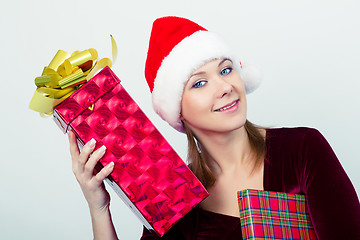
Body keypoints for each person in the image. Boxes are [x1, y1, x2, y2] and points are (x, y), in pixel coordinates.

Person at [68, 16, 360, 239]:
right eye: (199, 82)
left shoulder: (303, 149)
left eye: (225, 69)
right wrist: (99, 207)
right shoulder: (172, 198)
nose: (224, 87)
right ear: (177, 110)